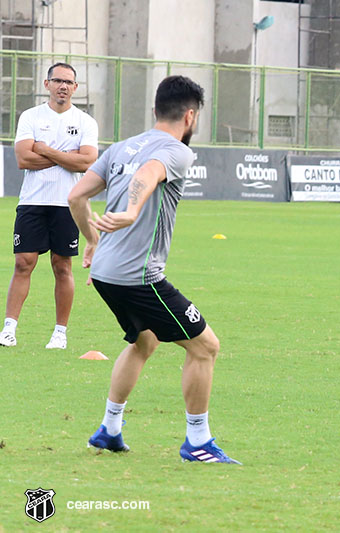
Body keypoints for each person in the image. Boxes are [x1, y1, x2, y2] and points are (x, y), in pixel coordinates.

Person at [67, 75, 239, 464]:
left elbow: (76, 195)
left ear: (155, 110)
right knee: (205, 346)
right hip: (139, 276)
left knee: (144, 341)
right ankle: (198, 442)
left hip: (106, 273)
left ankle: (109, 430)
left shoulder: (122, 146)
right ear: (191, 116)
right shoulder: (177, 150)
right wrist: (130, 210)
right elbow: (148, 175)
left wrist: (91, 241)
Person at [2, 62, 99, 349]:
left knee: (62, 266)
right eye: (57, 80)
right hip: (32, 201)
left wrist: (44, 149)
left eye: (68, 82)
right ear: (47, 84)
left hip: (67, 204)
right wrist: (65, 157)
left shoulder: (85, 122)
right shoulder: (31, 117)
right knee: (23, 263)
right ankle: (9, 329)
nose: (63, 86)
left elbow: (87, 161)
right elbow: (23, 160)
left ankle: (60, 333)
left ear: (76, 88)